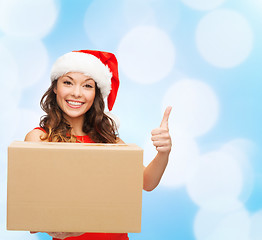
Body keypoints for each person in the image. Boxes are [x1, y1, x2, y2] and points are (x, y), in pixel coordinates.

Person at [25, 50, 172, 240]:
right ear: (55, 87)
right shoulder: (39, 139)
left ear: (96, 93)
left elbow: (147, 182)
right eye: (68, 82)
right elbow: (31, 206)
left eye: (87, 85)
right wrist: (67, 226)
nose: (76, 93)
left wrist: (163, 152)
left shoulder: (109, 140)